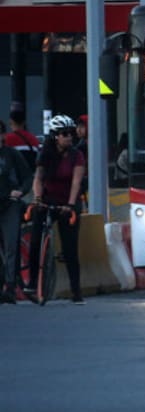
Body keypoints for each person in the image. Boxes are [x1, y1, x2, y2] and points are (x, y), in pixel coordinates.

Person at [26, 114, 86, 304]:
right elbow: (38, 178)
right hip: (47, 199)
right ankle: (32, 283)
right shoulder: (45, 153)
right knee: (35, 241)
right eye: (64, 133)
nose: (69, 137)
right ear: (54, 136)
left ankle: (76, 291)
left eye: (70, 133)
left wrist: (69, 205)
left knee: (70, 248)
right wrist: (37, 199)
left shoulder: (77, 155)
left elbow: (76, 182)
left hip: (68, 202)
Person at [0, 137, 33, 304]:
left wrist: (20, 191)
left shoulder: (12, 155)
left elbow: (27, 177)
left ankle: (11, 287)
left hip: (10, 206)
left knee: (11, 246)